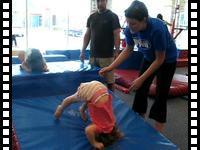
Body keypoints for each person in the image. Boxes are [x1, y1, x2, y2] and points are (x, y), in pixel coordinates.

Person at [99, 0, 178, 132]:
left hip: (166, 60)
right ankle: (139, 122)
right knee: (141, 90)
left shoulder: (157, 29)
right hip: (149, 58)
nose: (130, 27)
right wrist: (110, 67)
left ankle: (158, 132)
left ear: (144, 20)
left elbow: (160, 59)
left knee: (161, 93)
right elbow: (128, 49)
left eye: (133, 23)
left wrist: (141, 78)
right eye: (128, 22)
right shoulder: (130, 30)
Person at [54, 80, 123, 150]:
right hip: (89, 90)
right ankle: (61, 108)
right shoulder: (101, 128)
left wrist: (117, 135)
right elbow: (88, 130)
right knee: (71, 99)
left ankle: (82, 109)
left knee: (91, 99)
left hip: (101, 89)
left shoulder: (112, 122)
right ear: (98, 134)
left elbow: (116, 131)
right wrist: (94, 143)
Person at [80, 0, 121, 91]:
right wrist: (82, 51)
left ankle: (112, 102)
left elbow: (116, 34)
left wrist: (117, 51)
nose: (100, 3)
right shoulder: (91, 17)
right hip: (93, 55)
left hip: (107, 56)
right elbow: (87, 34)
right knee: (93, 82)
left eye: (102, 1)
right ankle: (94, 101)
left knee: (109, 81)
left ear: (106, 1)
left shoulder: (113, 16)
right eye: (98, 1)